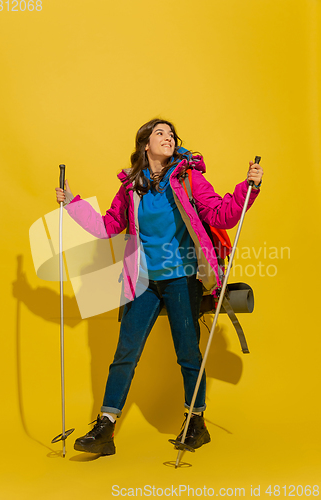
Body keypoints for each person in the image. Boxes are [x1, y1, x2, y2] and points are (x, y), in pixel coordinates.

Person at [55, 118, 263, 456]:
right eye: (160, 133)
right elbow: (110, 225)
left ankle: (196, 421)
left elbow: (222, 215)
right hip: (143, 281)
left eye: (171, 134)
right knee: (125, 352)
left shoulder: (188, 178)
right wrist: (72, 204)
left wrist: (248, 188)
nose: (168, 138)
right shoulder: (131, 188)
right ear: (145, 145)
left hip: (182, 277)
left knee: (187, 353)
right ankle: (106, 426)